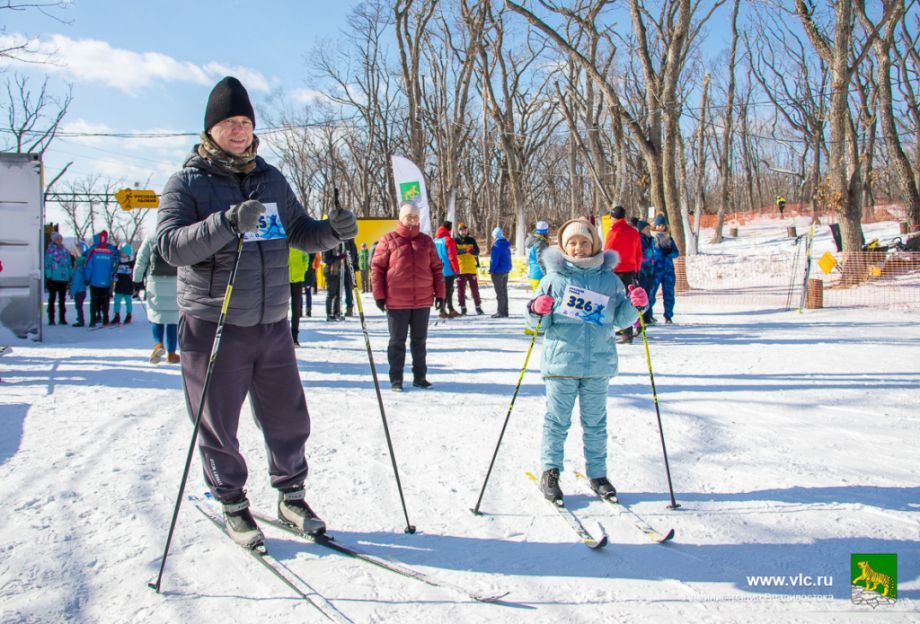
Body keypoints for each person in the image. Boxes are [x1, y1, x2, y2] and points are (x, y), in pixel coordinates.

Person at [156, 76, 358, 547]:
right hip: (215, 322)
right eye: (229, 123)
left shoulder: (271, 177)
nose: (239, 130)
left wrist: (332, 231)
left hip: (271, 321)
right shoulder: (186, 182)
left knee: (289, 417)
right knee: (218, 420)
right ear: (210, 130)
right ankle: (232, 502)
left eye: (245, 122)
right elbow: (170, 247)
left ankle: (291, 494)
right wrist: (225, 222)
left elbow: (300, 232)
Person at [525, 218, 648, 504]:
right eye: (572, 242)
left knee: (596, 423)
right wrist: (535, 309)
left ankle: (598, 474)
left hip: (597, 363)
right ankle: (551, 472)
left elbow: (620, 319)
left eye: (584, 242)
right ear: (563, 246)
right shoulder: (553, 280)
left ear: (594, 244)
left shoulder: (608, 280)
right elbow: (537, 324)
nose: (579, 248)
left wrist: (636, 305)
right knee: (557, 421)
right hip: (561, 365)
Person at [371, 202, 445, 391]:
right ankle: (396, 379)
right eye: (408, 216)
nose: (412, 219)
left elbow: (437, 268)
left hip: (422, 300)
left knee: (419, 341)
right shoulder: (389, 240)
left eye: (415, 216)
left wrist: (441, 293)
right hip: (397, 302)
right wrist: (379, 295)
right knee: (397, 342)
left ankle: (420, 377)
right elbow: (377, 269)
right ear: (401, 218)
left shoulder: (426, 241)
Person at [134, 234, 180, 363]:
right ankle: (171, 354)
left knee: (156, 314)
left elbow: (141, 260)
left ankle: (158, 344)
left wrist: (136, 280)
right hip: (175, 281)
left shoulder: (151, 238)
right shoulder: (177, 235)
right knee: (173, 318)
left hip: (154, 281)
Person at [603, 206, 642, 344]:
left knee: (613, 299)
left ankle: (623, 331)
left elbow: (607, 251)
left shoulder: (614, 231)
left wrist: (604, 267)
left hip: (616, 269)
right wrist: (637, 270)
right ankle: (627, 330)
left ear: (613, 217)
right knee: (628, 299)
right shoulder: (633, 232)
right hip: (630, 269)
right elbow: (638, 253)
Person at [650, 214, 679, 324]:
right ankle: (649, 314)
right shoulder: (652, 239)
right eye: (659, 225)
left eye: (663, 225)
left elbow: (676, 253)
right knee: (652, 293)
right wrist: (660, 254)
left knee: (669, 293)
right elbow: (651, 253)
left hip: (668, 270)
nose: (661, 227)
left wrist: (669, 253)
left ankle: (668, 315)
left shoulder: (669, 239)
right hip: (656, 270)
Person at [84, 230, 117, 327]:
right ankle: (105, 320)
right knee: (105, 301)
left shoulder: (93, 252)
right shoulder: (110, 253)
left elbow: (89, 267)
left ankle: (93, 320)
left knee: (94, 301)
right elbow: (113, 267)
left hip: (94, 281)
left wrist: (87, 278)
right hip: (106, 282)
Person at [454, 223, 484, 315]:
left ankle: (478, 307)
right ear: (458, 231)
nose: (463, 232)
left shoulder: (471, 240)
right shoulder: (455, 240)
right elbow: (454, 252)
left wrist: (472, 251)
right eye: (461, 230)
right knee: (461, 290)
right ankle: (463, 307)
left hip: (471, 269)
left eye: (465, 230)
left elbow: (477, 252)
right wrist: (464, 251)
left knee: (475, 289)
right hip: (460, 269)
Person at [434, 220, 460, 318]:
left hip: (438, 269)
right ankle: (442, 310)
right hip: (448, 270)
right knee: (448, 291)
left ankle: (450, 309)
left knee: (444, 290)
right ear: (449, 228)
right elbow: (452, 256)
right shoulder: (448, 240)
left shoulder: (435, 240)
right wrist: (456, 270)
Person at [44, 232, 72, 326]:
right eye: (58, 239)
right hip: (53, 278)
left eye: (60, 239)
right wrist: (49, 277)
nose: (60, 240)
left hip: (63, 278)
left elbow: (69, 264)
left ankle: (62, 318)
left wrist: (69, 275)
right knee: (52, 299)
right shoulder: (50, 251)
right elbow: (47, 264)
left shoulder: (65, 251)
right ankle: (51, 318)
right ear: (54, 240)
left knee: (62, 299)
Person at [636, 220, 657, 325]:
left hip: (650, 270)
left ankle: (648, 316)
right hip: (642, 270)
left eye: (649, 228)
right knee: (643, 294)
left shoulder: (650, 239)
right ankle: (641, 318)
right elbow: (642, 254)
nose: (648, 230)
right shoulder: (639, 239)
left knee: (650, 294)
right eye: (646, 229)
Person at [489, 226, 512, 318]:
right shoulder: (506, 245)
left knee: (499, 293)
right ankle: (505, 311)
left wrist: (491, 270)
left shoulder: (497, 245)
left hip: (498, 271)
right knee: (504, 291)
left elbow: (494, 260)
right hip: (505, 270)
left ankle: (500, 312)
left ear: (495, 236)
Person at [289, 247, 310, 345]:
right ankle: (283, 336)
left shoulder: (298, 242)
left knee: (296, 308)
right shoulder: (282, 240)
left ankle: (294, 337)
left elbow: (306, 257)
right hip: (284, 277)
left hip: (298, 278)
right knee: (282, 308)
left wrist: (303, 269)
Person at [112, 244, 135, 325]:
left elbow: (135, 274)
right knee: (117, 301)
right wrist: (115, 276)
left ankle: (129, 315)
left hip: (128, 285)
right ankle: (117, 315)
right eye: (120, 252)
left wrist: (132, 275)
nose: (121, 254)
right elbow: (115, 271)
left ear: (127, 253)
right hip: (119, 284)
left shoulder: (132, 263)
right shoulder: (119, 262)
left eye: (122, 252)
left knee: (128, 301)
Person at [323, 243, 346, 321]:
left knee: (338, 293)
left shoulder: (339, 245)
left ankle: (337, 312)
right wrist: (338, 258)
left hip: (338, 271)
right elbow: (326, 260)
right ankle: (329, 314)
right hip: (331, 271)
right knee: (331, 293)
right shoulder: (327, 245)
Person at [526, 221, 550, 291]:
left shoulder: (533, 241)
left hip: (534, 274)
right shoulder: (540, 243)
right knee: (542, 300)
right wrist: (547, 274)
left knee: (539, 299)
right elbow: (540, 260)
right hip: (539, 275)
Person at [70, 254, 87, 327]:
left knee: (78, 306)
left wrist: (72, 292)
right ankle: (80, 318)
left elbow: (75, 283)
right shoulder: (83, 271)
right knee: (79, 306)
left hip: (78, 292)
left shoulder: (77, 272)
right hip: (83, 291)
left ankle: (81, 320)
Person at [302, 252, 317, 317]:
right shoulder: (310, 248)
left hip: (301, 271)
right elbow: (313, 258)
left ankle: (299, 310)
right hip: (309, 271)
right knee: (308, 292)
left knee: (298, 293)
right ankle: (308, 310)